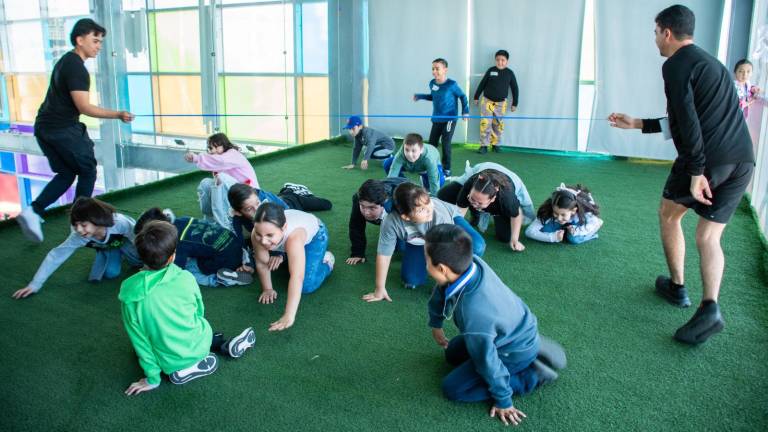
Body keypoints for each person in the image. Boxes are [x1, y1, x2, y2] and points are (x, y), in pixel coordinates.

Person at [608, 5, 754, 344]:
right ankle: (709, 309)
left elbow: (688, 124)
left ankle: (677, 287)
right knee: (708, 237)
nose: (655, 40)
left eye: (656, 32)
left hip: (710, 159)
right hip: (741, 159)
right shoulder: (710, 63)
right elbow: (693, 116)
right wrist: (638, 123)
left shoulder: (674, 65)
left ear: (667, 33)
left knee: (669, 214)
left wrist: (696, 171)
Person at [424, 224, 566, 426]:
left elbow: (487, 361)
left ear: (442, 268)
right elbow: (442, 289)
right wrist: (436, 323)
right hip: (511, 330)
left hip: (510, 349)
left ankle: (531, 374)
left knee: (453, 389)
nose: (425, 265)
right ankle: (530, 348)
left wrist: (503, 400)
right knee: (452, 353)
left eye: (426, 260)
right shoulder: (472, 263)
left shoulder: (474, 315)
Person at [17, 19, 134, 243]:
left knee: (67, 173)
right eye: (95, 40)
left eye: (100, 41)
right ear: (79, 40)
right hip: (61, 129)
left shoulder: (65, 62)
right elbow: (84, 107)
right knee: (88, 170)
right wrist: (118, 114)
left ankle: (34, 210)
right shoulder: (77, 69)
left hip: (44, 127)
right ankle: (80, 222)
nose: (99, 46)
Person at [121, 220, 256, 395]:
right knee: (195, 330)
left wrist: (152, 379)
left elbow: (140, 342)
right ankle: (224, 345)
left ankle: (183, 369)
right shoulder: (186, 277)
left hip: (170, 361)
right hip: (200, 338)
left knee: (139, 351)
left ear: (140, 255)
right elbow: (199, 312)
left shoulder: (130, 296)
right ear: (172, 256)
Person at [362, 182, 485, 301]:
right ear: (405, 216)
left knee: (477, 246)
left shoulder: (439, 215)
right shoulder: (390, 222)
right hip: (418, 240)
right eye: (421, 209)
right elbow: (384, 255)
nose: (429, 209)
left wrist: (446, 284)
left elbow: (449, 251)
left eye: (428, 202)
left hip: (449, 220)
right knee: (411, 280)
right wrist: (379, 289)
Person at [12, 197, 140, 299]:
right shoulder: (78, 235)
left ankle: (125, 254)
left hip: (127, 241)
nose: (79, 230)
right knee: (111, 273)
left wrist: (149, 263)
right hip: (108, 247)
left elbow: (138, 238)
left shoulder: (120, 223)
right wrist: (35, 284)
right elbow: (56, 256)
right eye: (76, 225)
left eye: (83, 225)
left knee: (138, 261)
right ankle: (110, 253)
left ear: (97, 220)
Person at [251, 203, 334, 332]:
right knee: (269, 259)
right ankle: (288, 255)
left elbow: (297, 277)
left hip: (315, 237)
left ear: (284, 228)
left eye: (269, 235)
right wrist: (267, 289)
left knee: (306, 286)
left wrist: (289, 315)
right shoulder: (259, 232)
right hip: (289, 241)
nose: (263, 241)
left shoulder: (293, 238)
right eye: (258, 234)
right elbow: (262, 262)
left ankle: (327, 261)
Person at [227, 182, 332, 273]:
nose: (257, 210)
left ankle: (291, 190)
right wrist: (247, 263)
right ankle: (286, 191)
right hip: (272, 227)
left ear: (258, 198)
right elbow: (238, 241)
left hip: (291, 205)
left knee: (327, 204)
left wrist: (279, 253)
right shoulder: (234, 215)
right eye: (249, 209)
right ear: (238, 212)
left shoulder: (265, 198)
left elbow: (285, 221)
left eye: (258, 203)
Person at [134, 208, 250, 287]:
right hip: (235, 246)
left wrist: (154, 270)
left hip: (225, 261)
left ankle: (218, 279)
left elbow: (176, 269)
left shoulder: (178, 241)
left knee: (188, 272)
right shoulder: (183, 220)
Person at [438, 161, 534, 251]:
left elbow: (516, 215)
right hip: (484, 169)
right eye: (472, 199)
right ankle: (476, 214)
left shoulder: (506, 199)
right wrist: (453, 234)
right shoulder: (469, 184)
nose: (475, 204)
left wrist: (515, 239)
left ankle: (493, 213)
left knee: (505, 237)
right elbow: (460, 213)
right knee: (443, 194)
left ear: (492, 199)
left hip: (507, 184)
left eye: (479, 203)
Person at [184, 133, 258, 232]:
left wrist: (197, 158)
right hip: (233, 192)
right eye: (210, 148)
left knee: (221, 178)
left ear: (224, 145)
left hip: (249, 191)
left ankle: (225, 223)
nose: (213, 150)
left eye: (216, 147)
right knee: (205, 183)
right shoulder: (217, 161)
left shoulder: (233, 154)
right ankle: (210, 220)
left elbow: (221, 161)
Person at [413, 58, 469, 175]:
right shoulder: (432, 83)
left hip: (449, 119)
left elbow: (463, 97)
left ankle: (446, 168)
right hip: (437, 118)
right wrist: (420, 96)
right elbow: (433, 97)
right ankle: (427, 165)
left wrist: (465, 111)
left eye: (437, 68)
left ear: (445, 70)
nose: (434, 71)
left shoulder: (451, 85)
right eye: (433, 69)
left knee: (445, 142)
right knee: (432, 143)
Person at [347, 177, 409, 265]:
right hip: (386, 191)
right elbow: (356, 226)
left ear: (384, 203)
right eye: (363, 206)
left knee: (402, 248)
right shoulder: (358, 199)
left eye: (372, 207)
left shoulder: (399, 203)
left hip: (404, 190)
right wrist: (357, 253)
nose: (366, 213)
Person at [473, 50, 519, 154]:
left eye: (503, 60)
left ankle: (495, 144)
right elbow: (482, 84)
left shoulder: (509, 73)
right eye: (498, 60)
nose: (500, 62)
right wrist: (476, 96)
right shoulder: (490, 70)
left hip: (501, 104)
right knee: (485, 123)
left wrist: (515, 103)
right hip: (487, 101)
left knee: (498, 124)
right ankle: (484, 145)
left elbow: (515, 88)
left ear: (507, 61)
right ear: (495, 60)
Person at [525, 183, 603, 244]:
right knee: (545, 229)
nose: (559, 218)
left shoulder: (585, 212)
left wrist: (577, 231)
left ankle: (592, 233)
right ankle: (564, 228)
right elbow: (529, 231)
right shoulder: (547, 210)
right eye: (555, 213)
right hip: (566, 223)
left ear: (573, 210)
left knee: (573, 239)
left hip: (580, 223)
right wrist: (554, 237)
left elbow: (592, 223)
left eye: (563, 215)